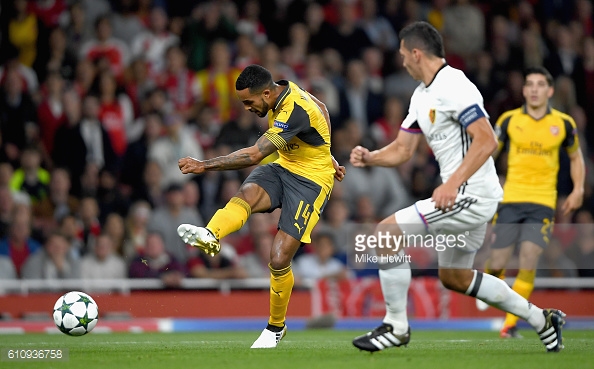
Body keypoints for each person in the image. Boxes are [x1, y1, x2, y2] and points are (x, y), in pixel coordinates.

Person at [349, 21, 565, 353]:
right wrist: (371, 157)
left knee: (384, 234)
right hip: (462, 193)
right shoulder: (421, 95)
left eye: (404, 54)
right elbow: (404, 149)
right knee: (455, 277)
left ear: (417, 53)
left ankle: (396, 325)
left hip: (471, 193)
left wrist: (451, 183)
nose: (402, 60)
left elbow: (487, 139)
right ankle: (542, 320)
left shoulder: (455, 85)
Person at [177, 64, 345, 348]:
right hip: (285, 166)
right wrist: (327, 150)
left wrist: (204, 165)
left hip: (312, 182)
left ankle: (276, 328)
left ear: (266, 93)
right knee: (248, 192)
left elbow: (254, 155)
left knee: (279, 258)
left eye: (249, 102)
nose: (246, 108)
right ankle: (212, 233)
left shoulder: (293, 111)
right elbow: (322, 107)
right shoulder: (283, 89)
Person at [476, 66, 585, 338]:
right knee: (498, 261)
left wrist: (578, 189)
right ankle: (487, 284)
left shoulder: (563, 123)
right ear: (524, 90)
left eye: (540, 85)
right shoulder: (509, 120)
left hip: (542, 204)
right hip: (511, 199)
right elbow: (489, 152)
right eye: (529, 84)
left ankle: (509, 325)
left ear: (549, 91)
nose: (534, 89)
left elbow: (575, 157)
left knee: (528, 258)